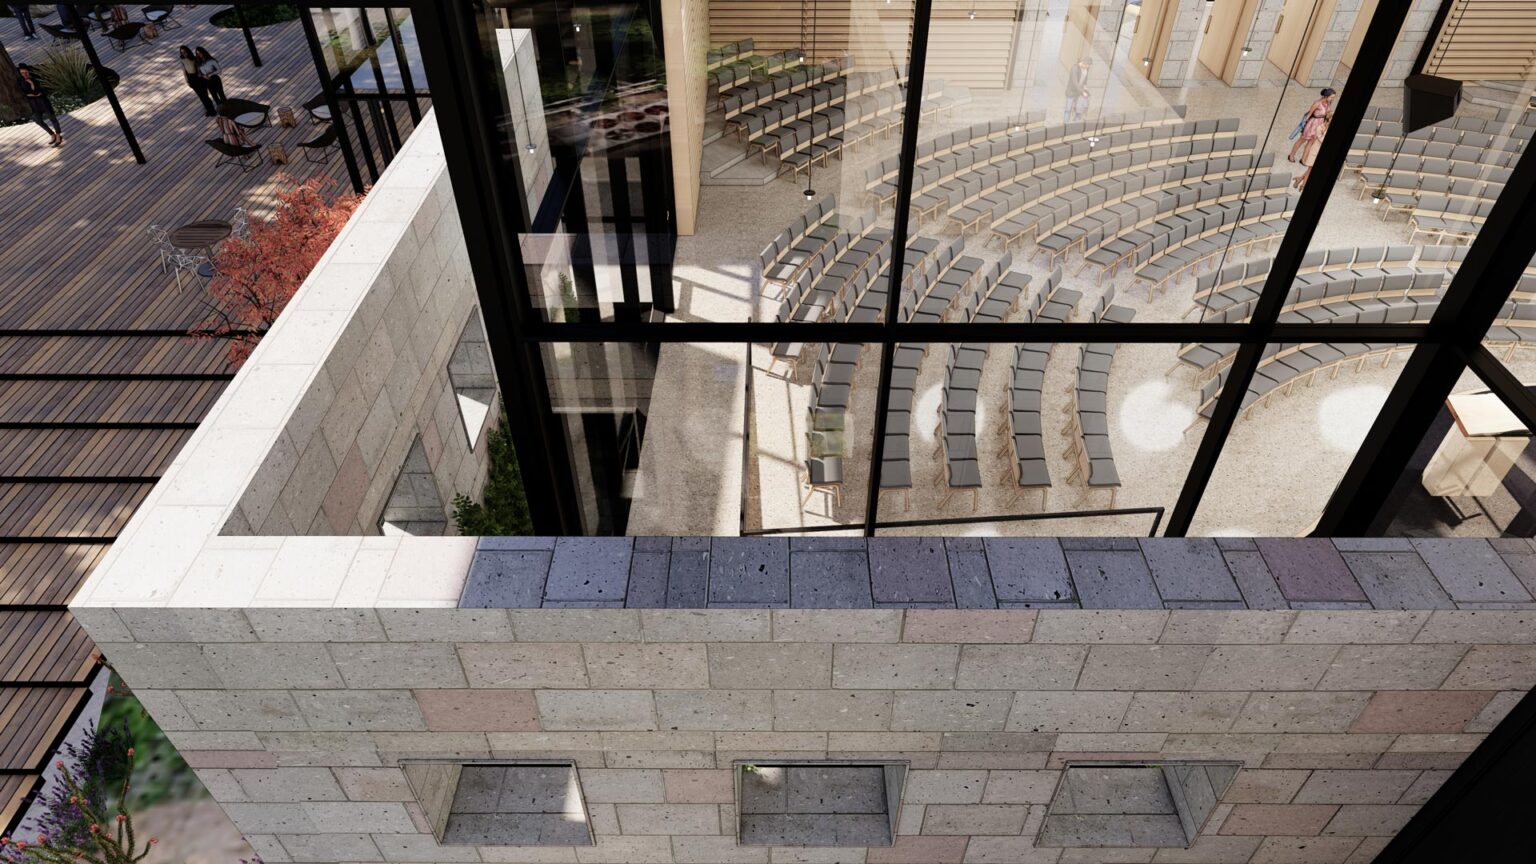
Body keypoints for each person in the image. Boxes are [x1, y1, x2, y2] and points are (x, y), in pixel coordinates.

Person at [16, 64, 62, 146]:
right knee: (38, 120)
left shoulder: (35, 78)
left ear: (28, 71)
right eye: (22, 73)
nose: (24, 74)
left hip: (43, 102)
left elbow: (39, 91)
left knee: (52, 118)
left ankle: (58, 135)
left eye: (25, 72)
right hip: (33, 105)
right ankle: (52, 134)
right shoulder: (20, 81)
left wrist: (31, 84)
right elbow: (23, 93)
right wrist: (32, 93)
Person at [1288, 87, 1334, 164]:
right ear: (1326, 96)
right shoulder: (1317, 103)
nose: (1332, 99)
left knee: (1311, 142)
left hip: (1319, 124)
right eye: (1331, 97)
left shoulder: (1328, 103)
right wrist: (1303, 126)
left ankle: (1303, 159)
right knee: (1301, 140)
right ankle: (1291, 155)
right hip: (1312, 124)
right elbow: (1309, 114)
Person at [1294, 115, 1329, 191]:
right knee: (1310, 169)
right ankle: (1303, 186)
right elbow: (1321, 139)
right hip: (1315, 150)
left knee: (1312, 169)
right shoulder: (1319, 128)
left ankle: (1299, 179)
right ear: (1327, 120)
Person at [178, 45, 216, 116]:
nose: (184, 54)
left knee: (205, 95)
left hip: (199, 78)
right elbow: (184, 71)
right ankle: (208, 110)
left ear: (188, 52)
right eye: (182, 53)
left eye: (185, 52)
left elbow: (200, 68)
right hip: (191, 78)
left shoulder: (194, 59)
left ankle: (212, 110)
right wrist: (187, 81)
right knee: (201, 96)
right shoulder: (182, 60)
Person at [1065, 56, 1092, 123]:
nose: (1088, 67)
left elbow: (1085, 80)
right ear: (1084, 63)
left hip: (1079, 92)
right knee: (1068, 109)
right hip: (1071, 91)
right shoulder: (1075, 68)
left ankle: (1075, 123)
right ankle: (1065, 123)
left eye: (1089, 66)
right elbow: (1075, 83)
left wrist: (1085, 87)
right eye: (1087, 65)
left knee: (1078, 109)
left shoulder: (1086, 69)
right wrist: (1082, 92)